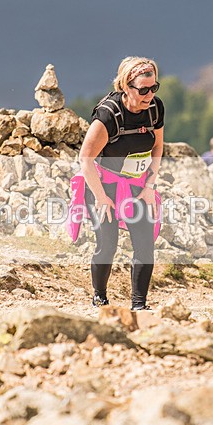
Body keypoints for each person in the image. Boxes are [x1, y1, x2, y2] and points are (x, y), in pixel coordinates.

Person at [76, 56, 164, 310]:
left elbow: (157, 147)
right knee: (108, 243)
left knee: (145, 243)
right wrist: (102, 197)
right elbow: (85, 159)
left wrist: (150, 186)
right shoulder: (108, 115)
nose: (149, 95)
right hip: (104, 185)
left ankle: (139, 304)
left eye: (154, 88)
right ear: (126, 87)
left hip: (137, 185)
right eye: (143, 90)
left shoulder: (155, 108)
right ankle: (100, 297)